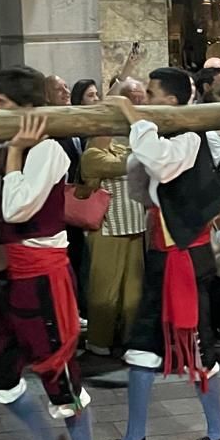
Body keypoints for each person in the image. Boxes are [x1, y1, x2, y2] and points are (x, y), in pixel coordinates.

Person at [0, 67, 99, 440]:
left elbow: (17, 208)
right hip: (12, 274)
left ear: (28, 109)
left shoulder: (46, 151)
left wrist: (13, 155)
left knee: (58, 370)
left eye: (2, 104)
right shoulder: (0, 149)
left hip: (43, 276)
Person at [103, 69, 220, 440]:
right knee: (141, 348)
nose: (144, 101)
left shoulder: (189, 134)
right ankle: (134, 439)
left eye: (151, 94)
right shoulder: (162, 134)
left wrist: (132, 116)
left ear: (174, 102)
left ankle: (219, 433)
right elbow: (139, 187)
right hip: (163, 256)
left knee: (197, 347)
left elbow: (160, 167)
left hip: (186, 258)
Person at [81, 125, 149, 356]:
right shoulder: (91, 156)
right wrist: (143, 150)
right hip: (108, 228)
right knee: (105, 289)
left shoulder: (119, 148)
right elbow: (124, 165)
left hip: (134, 226)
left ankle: (130, 336)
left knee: (133, 290)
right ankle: (99, 339)